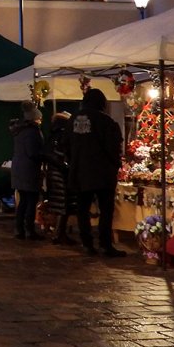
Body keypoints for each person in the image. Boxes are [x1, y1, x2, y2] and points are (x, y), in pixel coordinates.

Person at [68, 87, 125, 257]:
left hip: (80, 172)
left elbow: (66, 145)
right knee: (105, 210)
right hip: (102, 173)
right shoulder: (105, 121)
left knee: (82, 209)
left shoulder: (72, 121)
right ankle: (105, 244)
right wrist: (115, 164)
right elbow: (113, 147)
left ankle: (87, 243)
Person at [10, 104, 44, 240]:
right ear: (35, 119)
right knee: (31, 201)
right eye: (39, 118)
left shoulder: (19, 131)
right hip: (29, 170)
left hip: (19, 169)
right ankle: (29, 230)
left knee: (23, 201)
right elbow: (33, 153)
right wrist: (44, 156)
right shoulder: (33, 132)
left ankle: (19, 229)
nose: (41, 121)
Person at [43, 111, 75, 245]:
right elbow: (64, 154)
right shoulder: (63, 136)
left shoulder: (51, 136)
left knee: (57, 204)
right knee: (63, 204)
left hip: (52, 172)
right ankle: (59, 233)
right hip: (61, 174)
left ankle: (56, 231)